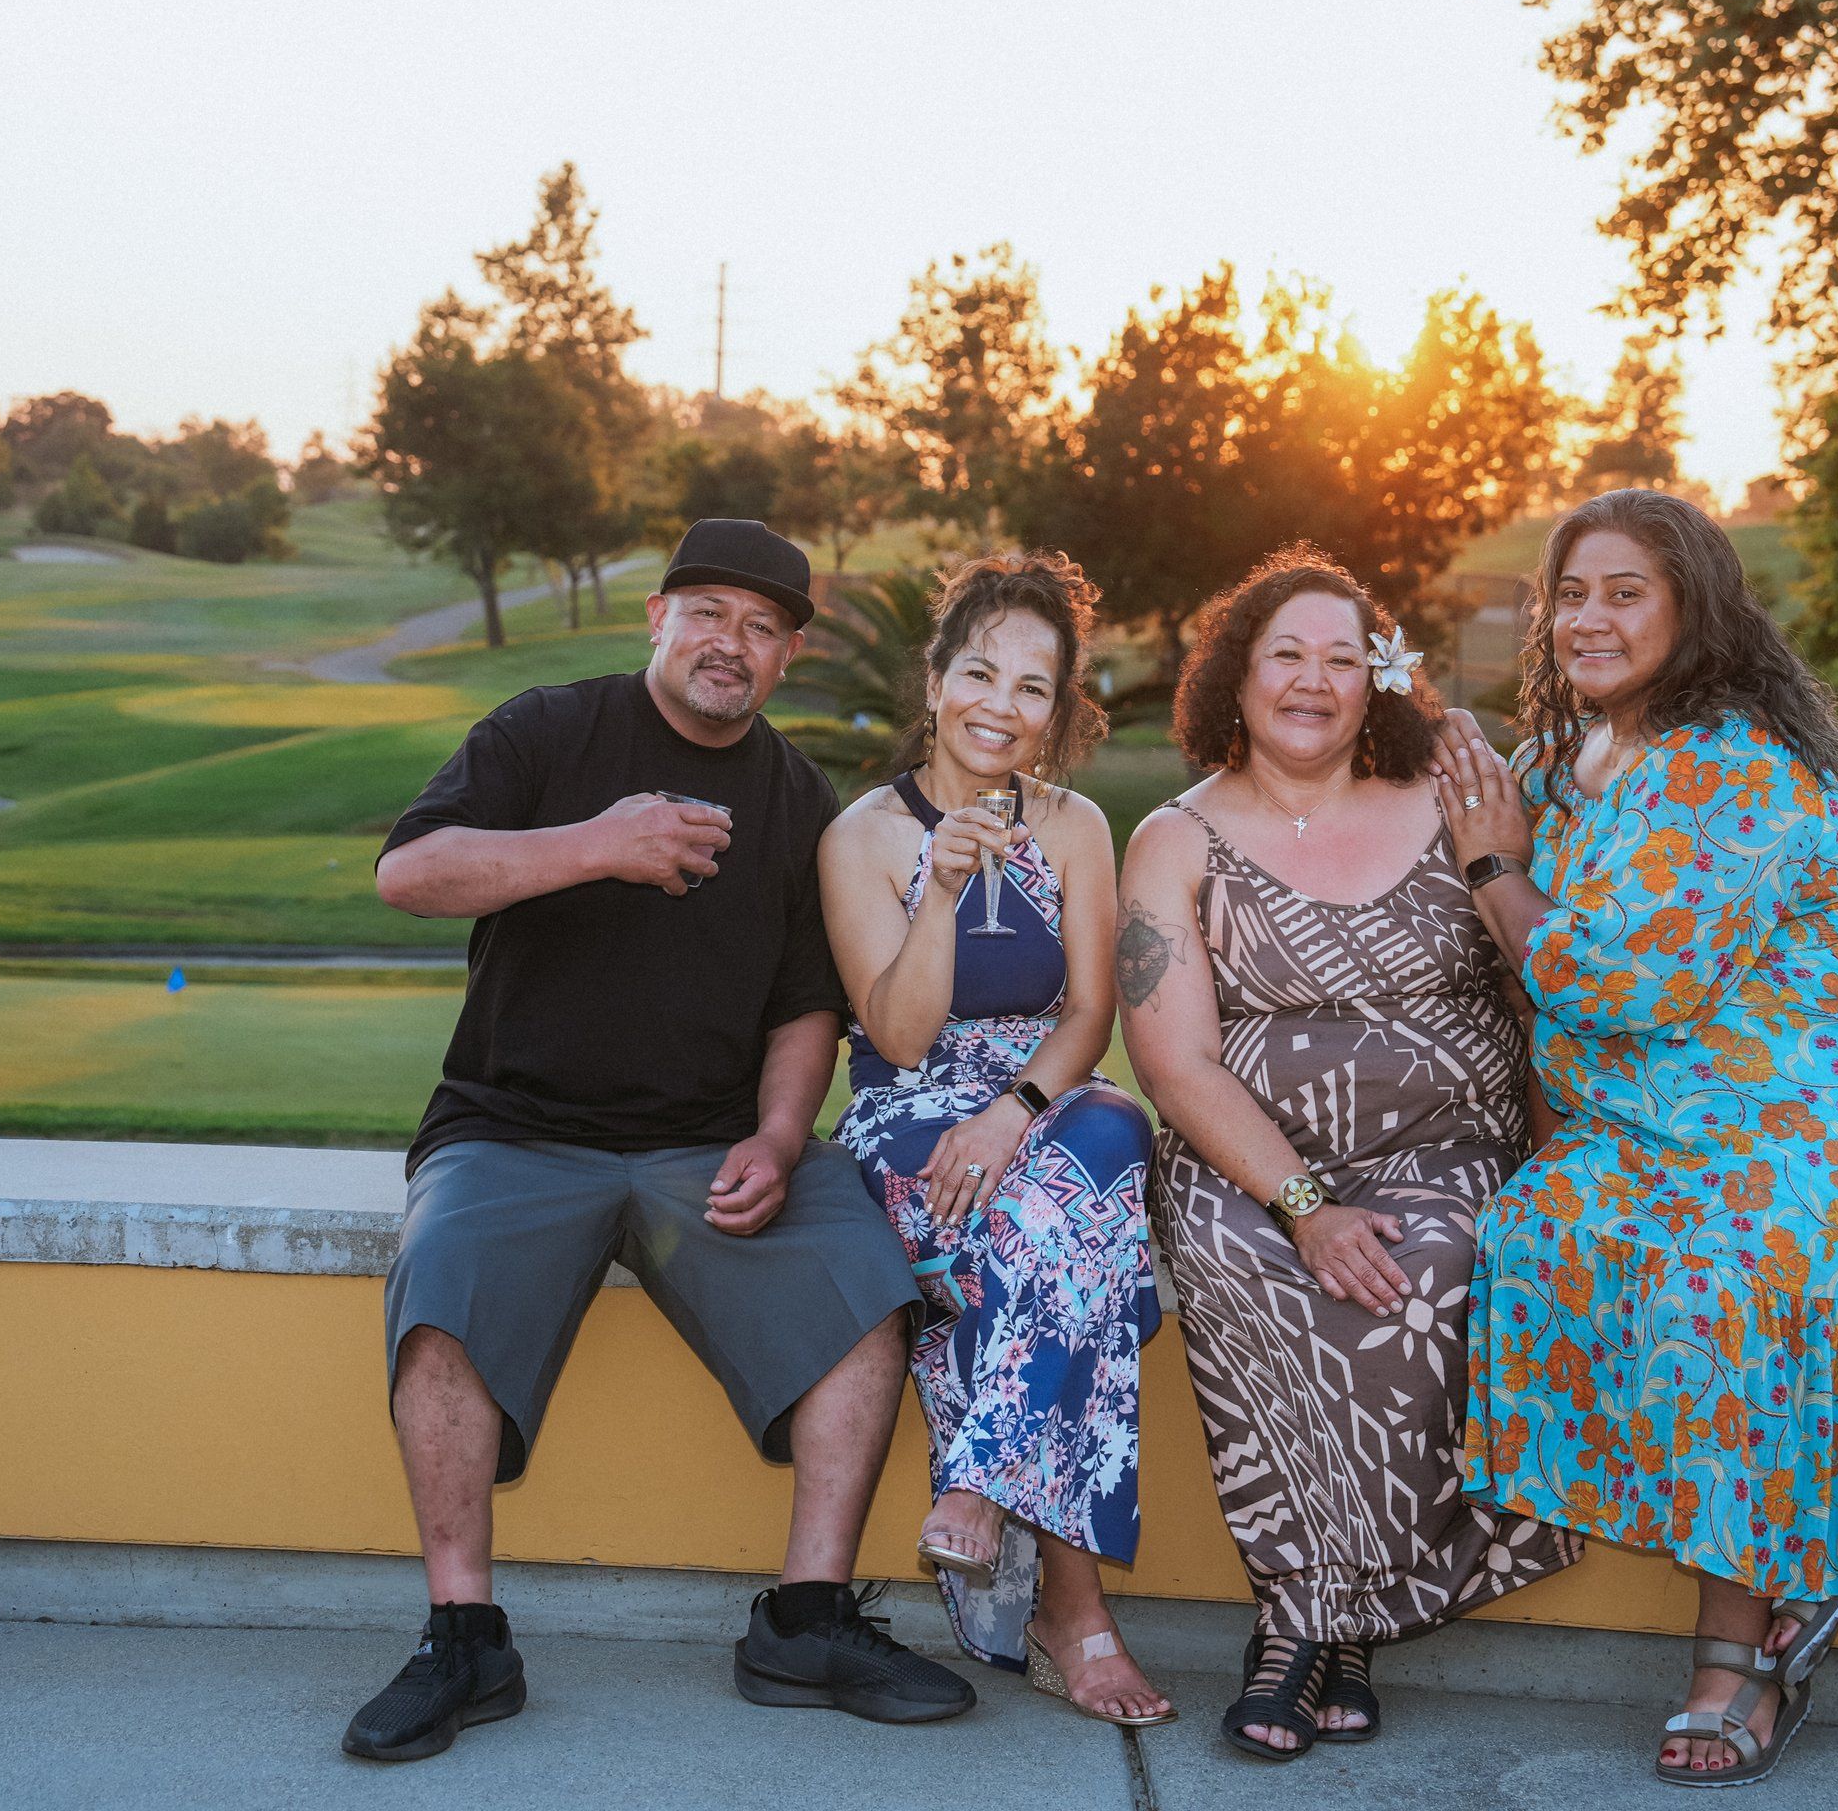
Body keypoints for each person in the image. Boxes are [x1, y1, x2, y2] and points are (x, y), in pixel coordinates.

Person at [345, 519, 974, 1764]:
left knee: (868, 1283)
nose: (728, 642)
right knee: (443, 1289)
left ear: (788, 652)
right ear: (657, 617)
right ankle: (465, 1636)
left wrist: (785, 1136)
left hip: (707, 1146)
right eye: (708, 612)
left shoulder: (798, 801)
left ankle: (804, 1616)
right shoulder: (547, 730)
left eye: (760, 625)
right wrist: (597, 844)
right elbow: (409, 872)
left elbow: (808, 1001)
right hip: (512, 1129)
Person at [1437, 488, 1838, 1788]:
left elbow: (1624, 986)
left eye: (1626, 592)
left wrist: (1493, 871)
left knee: (1716, 1277)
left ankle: (1734, 1659)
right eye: (1571, 593)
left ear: (1695, 610)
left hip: (1833, 1114)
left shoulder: (1735, 769)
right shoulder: (1558, 769)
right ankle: (1789, 1561)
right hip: (1670, 1114)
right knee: (1530, 1233)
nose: (1590, 617)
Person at [1117, 546, 1580, 1764]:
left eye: (1341, 656)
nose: (1312, 681)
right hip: (1252, 1160)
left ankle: (1303, 1627)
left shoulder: (1448, 792)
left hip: (1449, 1151)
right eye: (1286, 654)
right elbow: (1175, 1065)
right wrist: (1305, 1201)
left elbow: (1540, 980)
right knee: (1231, 1252)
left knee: (1428, 1268)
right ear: (1237, 672)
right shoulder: (1176, 837)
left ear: (1378, 676)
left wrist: (1554, 1153)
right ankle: (1337, 1629)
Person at [819, 552, 1174, 1727]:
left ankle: (978, 1479)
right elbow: (898, 1028)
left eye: (1032, 687)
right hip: (910, 1107)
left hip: (1039, 1096)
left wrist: (1013, 1110)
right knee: (1070, 1242)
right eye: (979, 672)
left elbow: (1089, 1014)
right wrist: (938, 891)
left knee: (1114, 1128)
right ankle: (1077, 1616)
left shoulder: (1075, 825)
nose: (1000, 705)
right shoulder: (863, 835)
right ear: (934, 680)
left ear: (1058, 709)